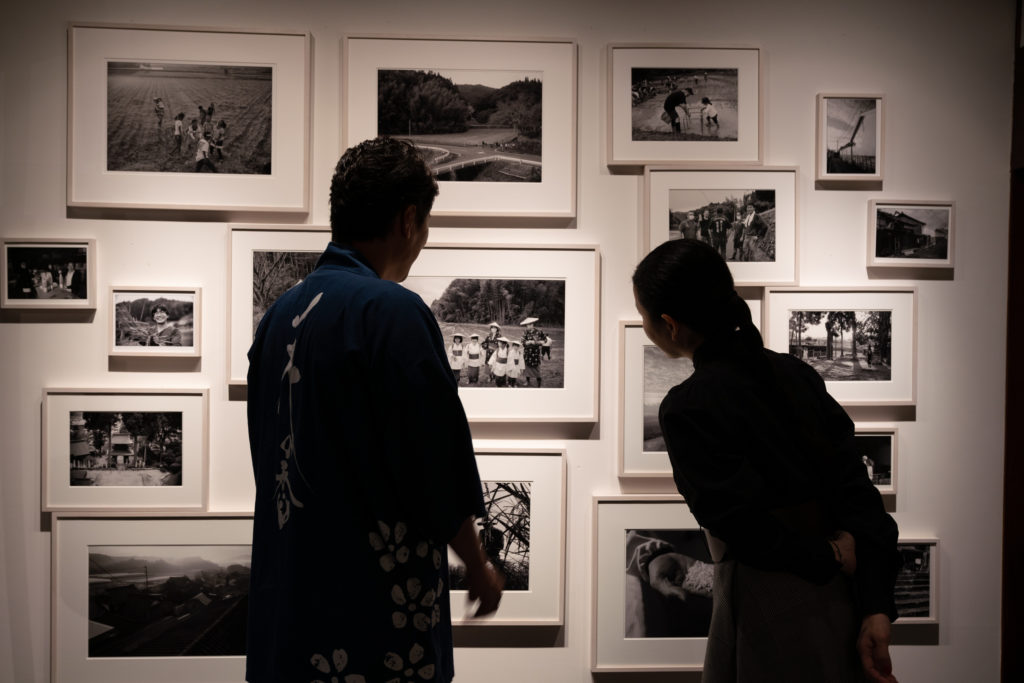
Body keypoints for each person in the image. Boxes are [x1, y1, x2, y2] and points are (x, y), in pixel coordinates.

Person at [246, 137, 503, 683]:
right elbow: (435, 459)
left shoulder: (279, 316)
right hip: (372, 619)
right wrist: (478, 568)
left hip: (291, 612)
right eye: (427, 224)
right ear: (409, 220)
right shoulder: (393, 312)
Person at [632, 238, 901, 683]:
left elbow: (741, 526)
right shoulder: (795, 374)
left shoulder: (687, 407)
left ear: (669, 324)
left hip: (766, 604)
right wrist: (876, 606)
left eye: (643, 316)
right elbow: (857, 494)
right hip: (844, 601)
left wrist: (829, 555)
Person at [519, 317, 546, 387]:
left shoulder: (539, 331)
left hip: (535, 353)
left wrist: (535, 342)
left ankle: (539, 382)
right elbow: (522, 341)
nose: (527, 326)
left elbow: (545, 340)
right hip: (527, 353)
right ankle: (528, 381)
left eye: (528, 325)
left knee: (536, 368)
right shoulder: (525, 332)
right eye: (526, 325)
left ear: (532, 325)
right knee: (527, 368)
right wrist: (527, 342)